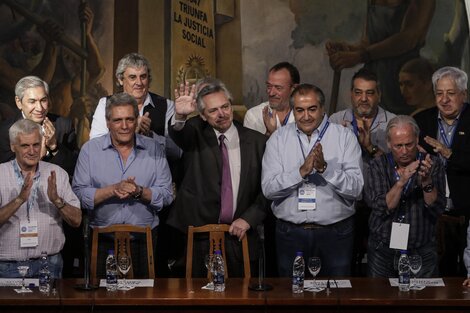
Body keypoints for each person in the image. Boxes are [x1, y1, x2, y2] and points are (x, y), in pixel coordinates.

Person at [262, 83, 363, 277]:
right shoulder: (278, 139)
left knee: (336, 298)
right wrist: (300, 173)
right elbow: (268, 189)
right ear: (293, 110)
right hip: (291, 235)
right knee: (292, 298)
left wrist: (326, 169)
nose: (306, 116)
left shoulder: (344, 137)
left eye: (312, 109)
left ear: (323, 109)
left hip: (335, 234)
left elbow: (357, 189)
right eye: (300, 110)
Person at [167, 82, 267, 277]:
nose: (222, 114)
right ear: (203, 115)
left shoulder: (257, 141)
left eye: (225, 107)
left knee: (241, 300)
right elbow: (179, 133)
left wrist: (249, 219)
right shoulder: (195, 131)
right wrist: (180, 116)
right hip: (199, 237)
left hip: (240, 235)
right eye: (213, 110)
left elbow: (268, 189)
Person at [72, 92, 173, 277]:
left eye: (130, 119)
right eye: (118, 120)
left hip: (145, 241)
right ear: (108, 122)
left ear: (137, 120)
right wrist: (113, 189)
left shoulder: (154, 148)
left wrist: (139, 191)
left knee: (143, 301)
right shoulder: (90, 150)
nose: (125, 126)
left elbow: (167, 194)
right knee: (102, 301)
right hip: (102, 241)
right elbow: (78, 194)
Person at [329, 68, 395, 274]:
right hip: (346, 203)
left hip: (382, 205)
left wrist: (371, 148)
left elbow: (399, 167)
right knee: (345, 264)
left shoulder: (394, 122)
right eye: (358, 92)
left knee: (379, 266)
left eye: (369, 93)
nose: (363, 99)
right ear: (351, 94)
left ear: (379, 95)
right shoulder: (335, 121)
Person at [365, 115, 445, 277]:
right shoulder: (378, 165)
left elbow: (436, 207)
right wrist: (402, 181)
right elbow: (381, 207)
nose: (404, 151)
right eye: (398, 146)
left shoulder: (432, 164)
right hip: (383, 249)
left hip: (421, 249)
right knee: (379, 299)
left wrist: (426, 181)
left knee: (423, 300)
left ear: (417, 140)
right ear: (388, 144)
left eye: (409, 144)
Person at [0, 119, 81, 278]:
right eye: (25, 146)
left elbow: (77, 220)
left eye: (36, 145)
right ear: (12, 146)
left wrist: (57, 200)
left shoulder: (57, 173)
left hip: (49, 265)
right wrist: (19, 200)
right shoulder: (1, 174)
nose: (32, 151)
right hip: (8, 267)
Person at [325, 0, 435, 115]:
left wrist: (360, 56)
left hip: (401, 84)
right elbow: (368, 42)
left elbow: (409, 38)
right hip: (374, 83)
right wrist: (348, 50)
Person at [414, 66, 470, 276]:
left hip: (466, 212)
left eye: (451, 93)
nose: (444, 99)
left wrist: (448, 153)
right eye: (439, 93)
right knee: (434, 276)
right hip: (432, 214)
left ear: (463, 94)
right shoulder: (422, 121)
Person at [0, 76, 77, 177]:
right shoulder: (5, 132)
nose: (40, 108)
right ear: (19, 102)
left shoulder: (64, 126)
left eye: (43, 100)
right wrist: (37, 157)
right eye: (32, 101)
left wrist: (54, 147)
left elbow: (75, 169)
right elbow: (9, 176)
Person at [243, 62, 299, 136]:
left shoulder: (305, 115)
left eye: (278, 88)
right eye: (269, 86)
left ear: (293, 89)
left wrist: (274, 133)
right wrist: (268, 134)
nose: (271, 93)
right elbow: (253, 147)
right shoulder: (254, 116)